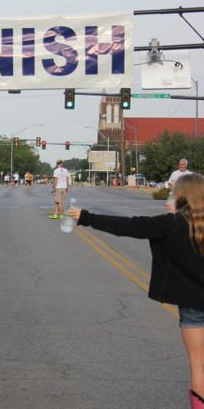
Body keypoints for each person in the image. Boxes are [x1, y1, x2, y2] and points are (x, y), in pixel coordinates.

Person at [67, 173, 204, 409]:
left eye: (174, 193)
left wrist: (85, 217)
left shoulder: (170, 225)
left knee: (199, 363)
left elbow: (128, 226)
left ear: (183, 197)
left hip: (193, 308)